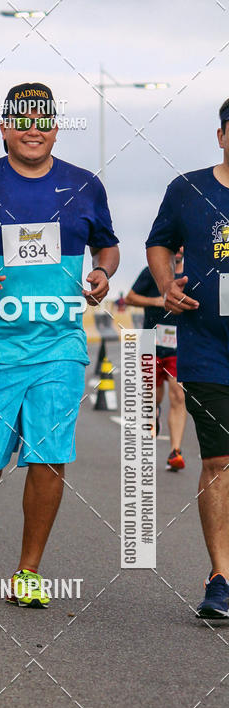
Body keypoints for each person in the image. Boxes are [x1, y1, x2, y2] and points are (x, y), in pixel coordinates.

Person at [0, 82, 119, 608]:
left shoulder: (84, 186)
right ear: (5, 127)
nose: (32, 128)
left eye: (42, 119)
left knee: (49, 454)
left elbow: (107, 245)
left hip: (59, 344)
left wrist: (102, 273)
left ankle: (28, 571)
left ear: (56, 127)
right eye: (22, 119)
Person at [146, 98, 229, 619]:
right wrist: (164, 285)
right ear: (221, 135)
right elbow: (158, 243)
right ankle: (221, 577)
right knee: (220, 460)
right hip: (209, 346)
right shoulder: (189, 189)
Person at [125, 250, 187, 470]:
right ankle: (155, 412)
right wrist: (158, 301)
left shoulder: (191, 274)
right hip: (150, 341)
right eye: (175, 246)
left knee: (178, 395)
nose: (178, 250)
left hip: (179, 344)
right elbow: (129, 298)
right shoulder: (152, 273)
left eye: (182, 246)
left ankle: (175, 451)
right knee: (152, 396)